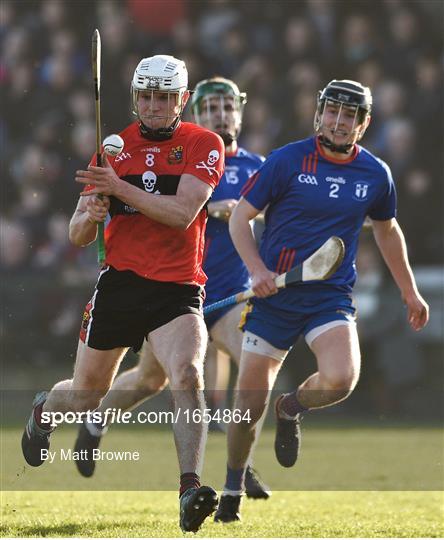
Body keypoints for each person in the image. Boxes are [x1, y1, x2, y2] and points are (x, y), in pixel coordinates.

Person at [21, 54, 225, 534]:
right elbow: (75, 235)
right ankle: (44, 412)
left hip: (177, 288)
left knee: (188, 375)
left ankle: (189, 488)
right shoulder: (111, 149)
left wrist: (119, 189)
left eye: (165, 97)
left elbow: (181, 213)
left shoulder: (203, 144)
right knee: (87, 396)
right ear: (136, 98)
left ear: (182, 100)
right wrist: (89, 215)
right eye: (147, 97)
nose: (154, 106)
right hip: (121, 284)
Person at [214, 79, 429, 522]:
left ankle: (290, 407)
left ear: (364, 123)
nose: (339, 121)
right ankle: (233, 486)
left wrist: (409, 290)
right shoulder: (287, 160)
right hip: (274, 296)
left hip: (327, 295)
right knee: (246, 408)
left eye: (350, 115)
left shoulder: (375, 174)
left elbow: (387, 230)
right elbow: (240, 218)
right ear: (319, 112)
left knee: (340, 379)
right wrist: (257, 270)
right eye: (333, 111)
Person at [72, 77, 271, 499]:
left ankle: (236, 468)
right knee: (148, 381)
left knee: (246, 365)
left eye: (228, 107)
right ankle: (94, 419)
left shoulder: (258, 166)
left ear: (240, 112)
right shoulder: (158, 150)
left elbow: (277, 221)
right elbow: (85, 228)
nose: (220, 114)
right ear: (197, 110)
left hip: (215, 293)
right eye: (212, 107)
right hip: (149, 284)